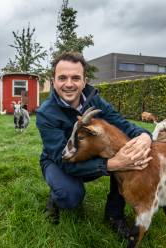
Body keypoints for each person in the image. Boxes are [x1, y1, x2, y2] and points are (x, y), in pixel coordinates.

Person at [35, 52, 152, 237]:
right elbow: (63, 159)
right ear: (53, 80)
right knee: (70, 196)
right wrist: (112, 164)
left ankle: (114, 215)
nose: (69, 84)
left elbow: (121, 123)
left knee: (128, 152)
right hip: (59, 161)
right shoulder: (45, 113)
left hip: (92, 154)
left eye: (75, 78)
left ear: (84, 80)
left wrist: (145, 136)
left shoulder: (95, 99)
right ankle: (56, 198)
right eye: (62, 78)